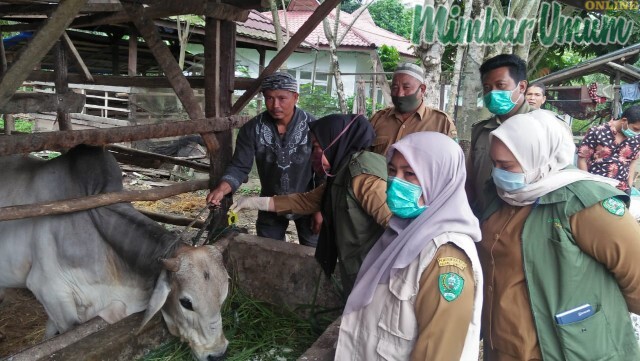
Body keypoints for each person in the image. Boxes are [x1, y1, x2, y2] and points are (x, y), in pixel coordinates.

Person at [478, 112, 640, 360]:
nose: (499, 174)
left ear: (539, 158)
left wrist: (596, 317)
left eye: (508, 166)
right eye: (495, 164)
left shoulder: (585, 204)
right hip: (505, 347)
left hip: (567, 349)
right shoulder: (500, 197)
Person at [335, 132, 483, 360]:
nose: (396, 182)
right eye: (392, 171)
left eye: (410, 174)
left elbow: (438, 353)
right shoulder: (401, 234)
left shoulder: (446, 256)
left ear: (440, 178)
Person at [229, 114, 390, 294]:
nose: (313, 155)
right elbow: (306, 201)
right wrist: (251, 202)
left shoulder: (364, 177)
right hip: (357, 266)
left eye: (316, 147)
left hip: (375, 272)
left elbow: (396, 224)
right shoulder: (341, 174)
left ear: (335, 142)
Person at [206, 72, 321, 247]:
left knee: (316, 255)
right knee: (268, 253)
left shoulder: (314, 126)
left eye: (282, 98)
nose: (275, 105)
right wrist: (222, 189)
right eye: (269, 98)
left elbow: (324, 171)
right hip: (268, 202)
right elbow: (239, 166)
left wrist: (321, 208)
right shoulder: (252, 129)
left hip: (308, 202)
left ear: (296, 97)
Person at [468, 54, 533, 215]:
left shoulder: (544, 128)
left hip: (521, 225)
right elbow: (470, 180)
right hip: (481, 221)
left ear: (522, 87)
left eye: (500, 85)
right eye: (487, 88)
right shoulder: (480, 130)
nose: (492, 93)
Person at [369, 62, 456, 156]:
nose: (399, 94)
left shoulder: (442, 123)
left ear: (422, 89)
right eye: (395, 87)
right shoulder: (377, 119)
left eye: (406, 87)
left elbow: (452, 163)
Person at [577, 105, 640, 195]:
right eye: (635, 129)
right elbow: (582, 159)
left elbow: (632, 163)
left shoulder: (636, 139)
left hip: (621, 190)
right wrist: (587, 185)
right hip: (595, 188)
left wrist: (629, 187)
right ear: (624, 121)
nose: (637, 133)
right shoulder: (597, 132)